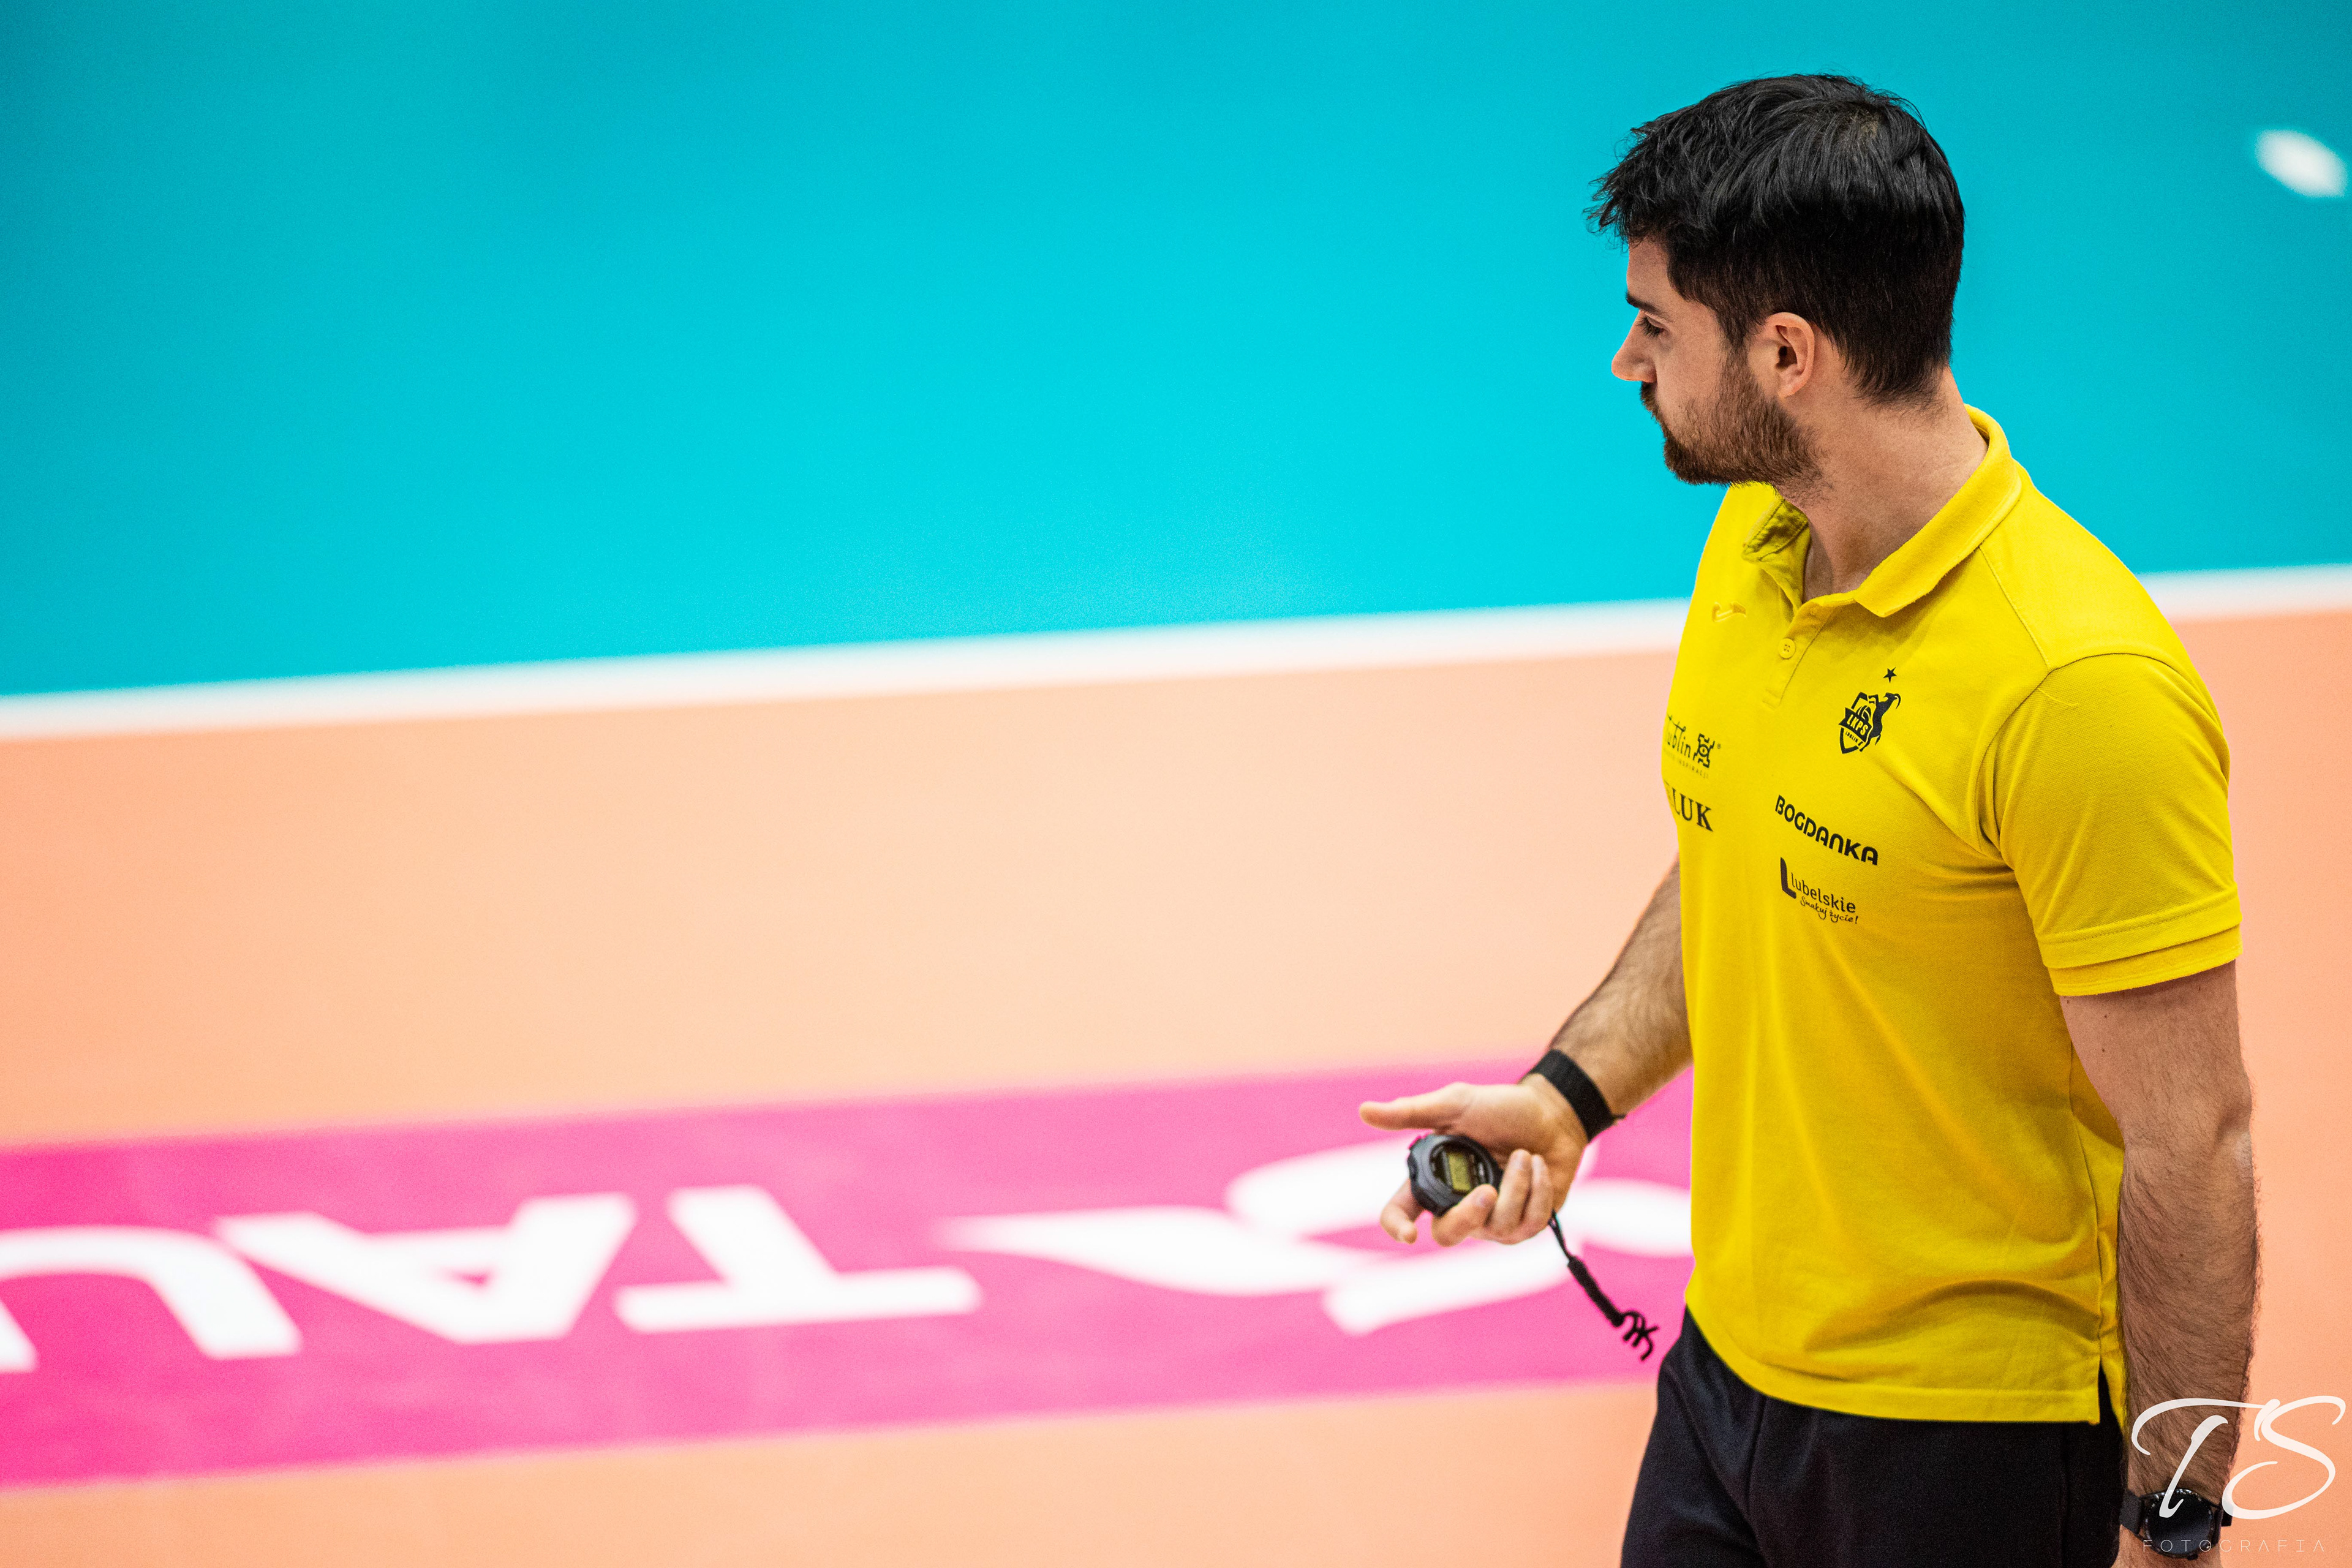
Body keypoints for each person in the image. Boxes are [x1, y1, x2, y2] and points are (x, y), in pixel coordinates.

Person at [1360, 75, 2256, 1567]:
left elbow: (2193, 1138)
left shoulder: (2075, 685)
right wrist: (1573, 1093)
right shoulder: (1762, 530)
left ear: (1787, 353)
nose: (1626, 358)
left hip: (1965, 1438)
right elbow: (1742, 848)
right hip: (1728, 1371)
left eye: (1657, 324)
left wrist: (2177, 1518)